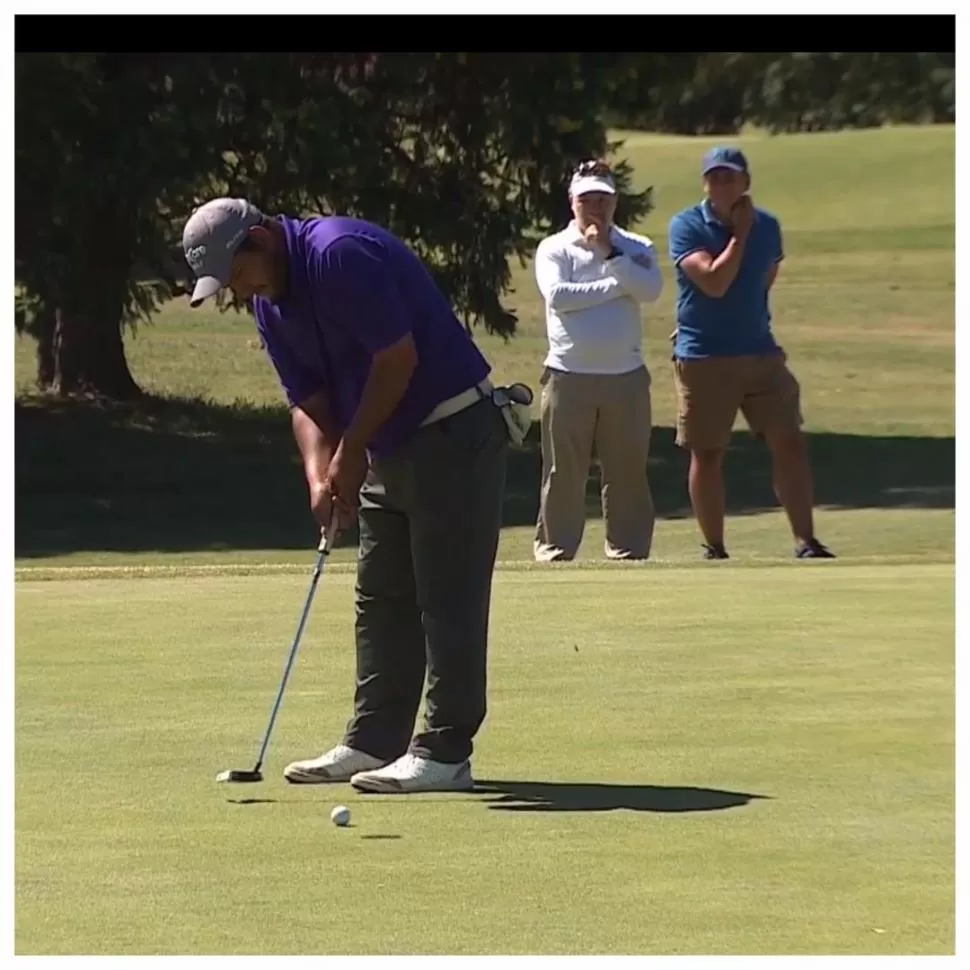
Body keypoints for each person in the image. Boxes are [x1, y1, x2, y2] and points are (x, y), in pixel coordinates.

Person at [182, 198, 512, 793]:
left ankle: (444, 752)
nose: (236, 291)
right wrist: (320, 474)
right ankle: (374, 742)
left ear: (260, 239)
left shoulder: (338, 255)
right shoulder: (269, 303)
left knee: (447, 594)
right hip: (388, 441)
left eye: (236, 273)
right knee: (380, 593)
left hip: (452, 427)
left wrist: (352, 449)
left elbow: (397, 359)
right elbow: (307, 398)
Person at [667, 147, 835, 560]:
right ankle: (715, 546)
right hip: (704, 356)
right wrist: (740, 234)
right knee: (708, 452)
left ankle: (805, 541)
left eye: (729, 177)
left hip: (760, 351)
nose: (721, 184)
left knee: (789, 440)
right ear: (706, 183)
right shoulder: (686, 225)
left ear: (746, 182)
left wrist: (747, 315)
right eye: (714, 177)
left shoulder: (770, 226)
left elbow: (764, 279)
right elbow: (715, 282)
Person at [532, 159, 663, 562]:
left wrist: (608, 253)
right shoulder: (554, 248)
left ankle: (628, 550)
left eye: (602, 199)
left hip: (625, 376)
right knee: (563, 472)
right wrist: (618, 285)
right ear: (572, 201)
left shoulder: (637, 247)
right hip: (568, 375)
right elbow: (561, 298)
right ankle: (555, 550)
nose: (595, 207)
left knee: (626, 471)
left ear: (615, 201)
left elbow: (650, 289)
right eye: (587, 199)